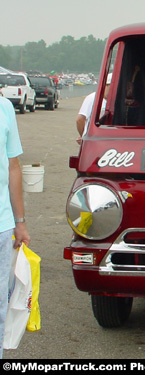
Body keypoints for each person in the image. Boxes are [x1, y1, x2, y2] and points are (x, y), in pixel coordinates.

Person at [0, 94, 30, 358]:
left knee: (0, 305)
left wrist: (19, 222)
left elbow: (13, 166)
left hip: (1, 225)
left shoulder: (4, 106)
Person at [76, 73, 111, 144]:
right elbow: (80, 119)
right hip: (93, 140)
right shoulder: (92, 98)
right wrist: (84, 136)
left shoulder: (114, 100)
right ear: (106, 86)